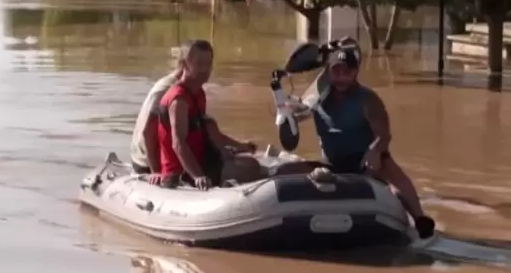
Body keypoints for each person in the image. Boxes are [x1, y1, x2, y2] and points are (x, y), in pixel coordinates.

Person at [284, 38, 436, 239]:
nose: (341, 77)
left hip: (365, 161)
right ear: (329, 72)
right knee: (285, 170)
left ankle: (419, 218)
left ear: (356, 72)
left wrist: (375, 150)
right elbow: (296, 117)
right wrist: (283, 109)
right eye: (336, 71)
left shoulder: (368, 100)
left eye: (346, 72)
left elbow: (384, 136)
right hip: (331, 163)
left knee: (388, 168)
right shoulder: (316, 97)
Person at [156, 39, 264, 190]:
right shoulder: (179, 100)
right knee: (249, 170)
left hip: (202, 161)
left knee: (252, 165)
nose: (205, 69)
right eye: (199, 63)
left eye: (208, 63)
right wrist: (198, 176)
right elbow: (178, 144)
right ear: (185, 64)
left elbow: (209, 132)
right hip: (181, 174)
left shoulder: (199, 93)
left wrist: (241, 146)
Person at [129, 67, 181, 176]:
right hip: (146, 163)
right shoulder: (169, 89)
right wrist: (156, 171)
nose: (207, 70)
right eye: (200, 64)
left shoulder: (189, 88)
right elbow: (147, 133)